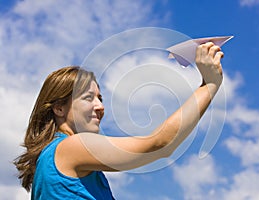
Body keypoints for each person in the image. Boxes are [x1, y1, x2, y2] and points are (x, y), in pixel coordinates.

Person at [14, 42, 224, 199]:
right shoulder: (70, 148)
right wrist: (210, 85)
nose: (100, 106)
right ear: (59, 108)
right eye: (88, 98)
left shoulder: (52, 158)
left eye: (100, 98)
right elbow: (160, 143)